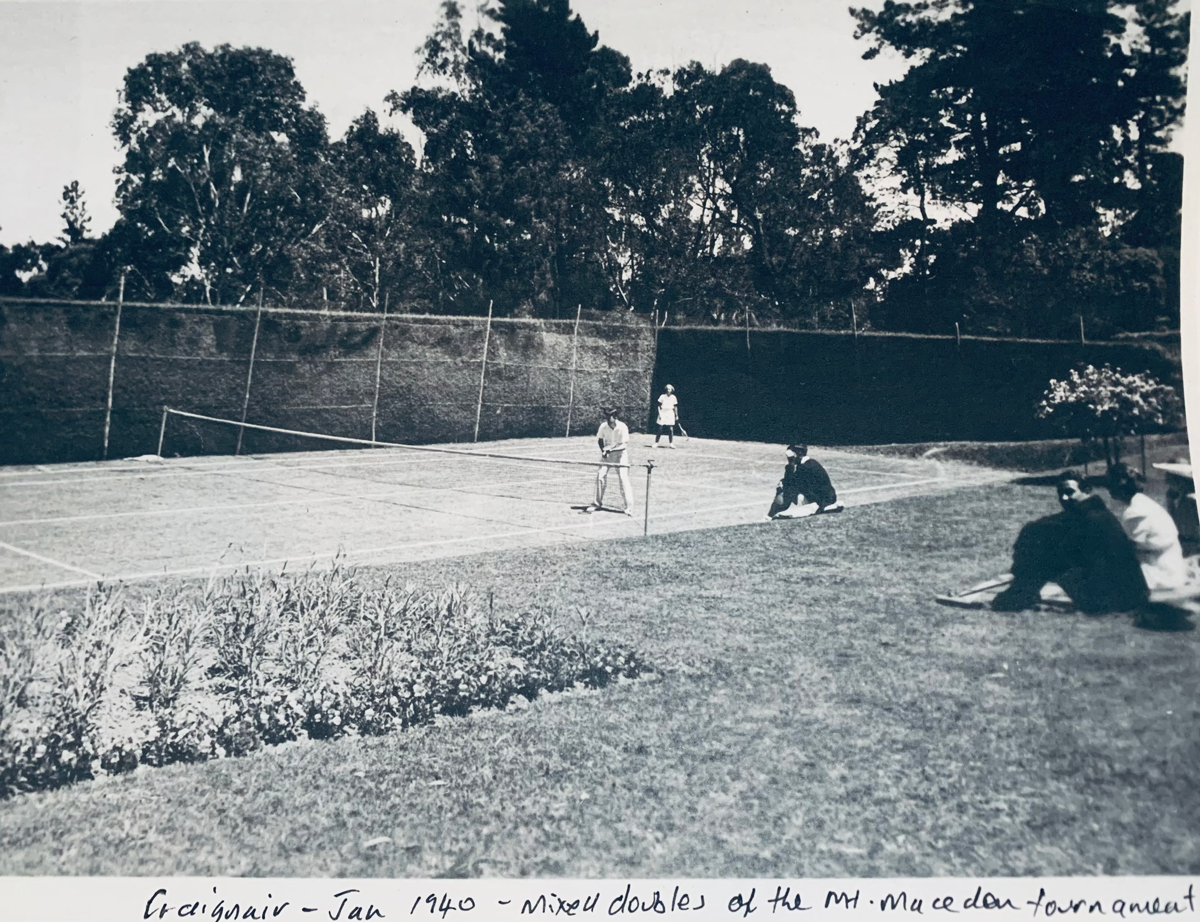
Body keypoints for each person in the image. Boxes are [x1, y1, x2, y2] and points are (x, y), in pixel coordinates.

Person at [992, 471, 1148, 613]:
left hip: (1113, 599)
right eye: (1060, 494)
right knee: (1043, 538)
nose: (1064, 498)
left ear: (1086, 490)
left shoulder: (1093, 518)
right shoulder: (1094, 512)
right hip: (1129, 595)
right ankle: (1023, 590)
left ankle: (1022, 592)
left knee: (1042, 542)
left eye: (1069, 492)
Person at [1107, 463, 1188, 592]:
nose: (1108, 489)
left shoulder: (1135, 512)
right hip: (1172, 565)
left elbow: (1126, 549)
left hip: (1161, 572)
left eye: (1109, 484)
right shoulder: (1144, 502)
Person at [768, 444, 843, 519]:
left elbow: (790, 485)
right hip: (823, 499)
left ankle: (770, 516)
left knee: (783, 491)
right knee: (786, 488)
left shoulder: (806, 467)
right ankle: (772, 515)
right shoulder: (809, 463)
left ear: (799, 453)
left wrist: (790, 464)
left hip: (820, 502)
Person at [586, 407, 633, 515]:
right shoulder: (603, 426)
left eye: (609, 417)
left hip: (621, 455)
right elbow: (600, 440)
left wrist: (610, 449)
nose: (607, 419)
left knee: (623, 479)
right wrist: (603, 450)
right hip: (607, 455)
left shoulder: (623, 427)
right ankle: (596, 504)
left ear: (615, 417)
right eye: (606, 416)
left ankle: (629, 507)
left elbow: (623, 445)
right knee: (600, 476)